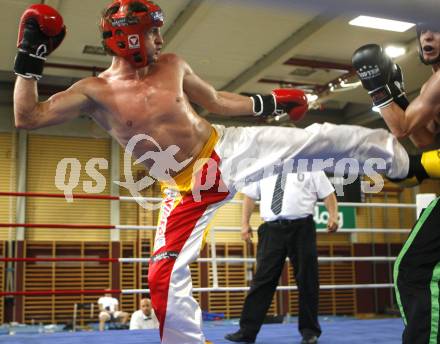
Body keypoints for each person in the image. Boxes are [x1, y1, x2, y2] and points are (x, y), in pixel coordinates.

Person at [13, 2, 440, 343]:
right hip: (185, 188)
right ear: (127, 37)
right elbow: (27, 118)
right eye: (151, 32)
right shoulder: (94, 92)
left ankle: (404, 163)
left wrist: (273, 101)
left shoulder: (173, 65)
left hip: (226, 147)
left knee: (318, 139)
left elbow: (216, 100)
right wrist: (28, 59)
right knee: (162, 276)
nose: (160, 39)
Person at [352, 21, 440, 344]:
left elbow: (401, 129)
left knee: (413, 269)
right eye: (424, 31)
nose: (428, 36)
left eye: (438, 30)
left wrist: (378, 88)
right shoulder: (433, 84)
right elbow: (426, 139)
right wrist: (398, 96)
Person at [225, 172, 338, 344]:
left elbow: (328, 193)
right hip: (271, 229)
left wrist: (333, 215)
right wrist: (244, 224)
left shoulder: (311, 164)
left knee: (308, 279)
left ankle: (309, 332)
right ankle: (246, 331)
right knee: (262, 280)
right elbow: (249, 195)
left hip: (302, 228)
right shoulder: (264, 164)